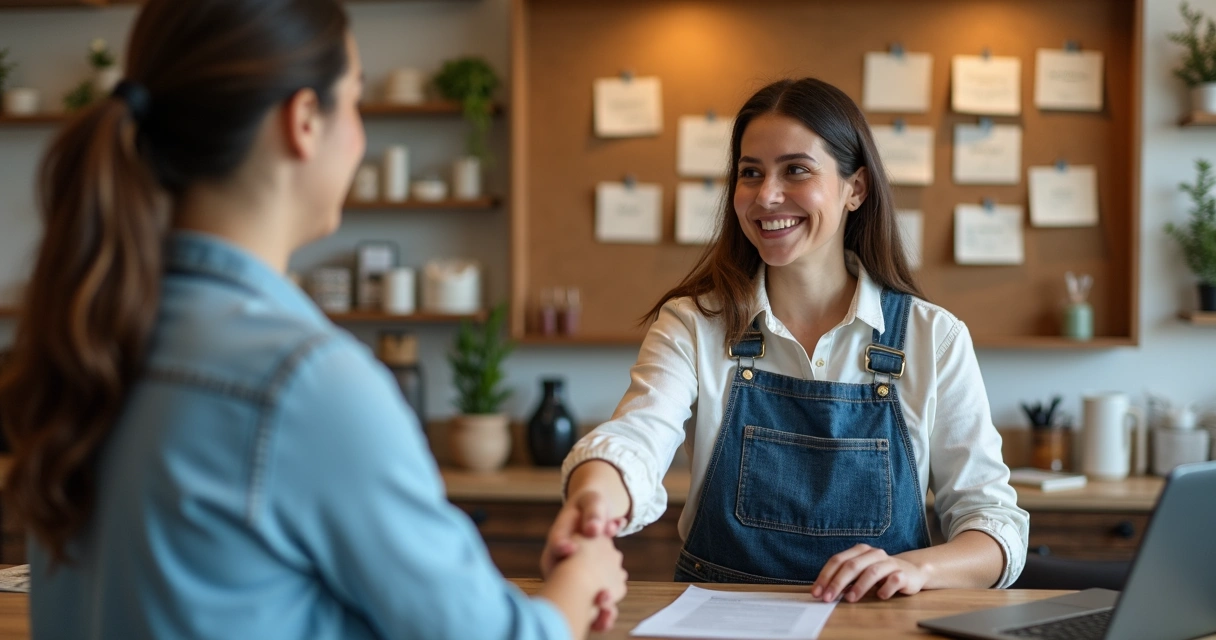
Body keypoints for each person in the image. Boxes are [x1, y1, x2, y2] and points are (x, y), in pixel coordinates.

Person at [0, 1, 625, 638]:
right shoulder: (305, 383)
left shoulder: (88, 339)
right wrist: (581, 581)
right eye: (353, 101)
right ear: (303, 121)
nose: (359, 135)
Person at [545, 78, 1029, 603]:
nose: (767, 195)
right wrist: (594, 498)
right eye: (750, 172)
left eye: (796, 170)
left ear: (856, 189)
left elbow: (994, 526)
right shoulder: (693, 322)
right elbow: (637, 439)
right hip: (722, 626)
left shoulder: (933, 338)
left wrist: (916, 569)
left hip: (878, 627)